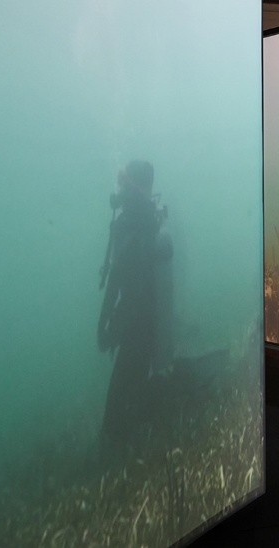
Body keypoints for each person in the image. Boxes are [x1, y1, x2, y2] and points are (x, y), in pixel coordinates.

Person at [96, 160, 173, 452]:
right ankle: (119, 434)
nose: (119, 192)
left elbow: (118, 275)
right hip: (139, 313)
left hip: (138, 314)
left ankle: (116, 439)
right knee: (134, 374)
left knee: (132, 375)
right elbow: (117, 274)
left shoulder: (137, 222)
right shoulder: (134, 222)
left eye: (124, 185)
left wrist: (105, 323)